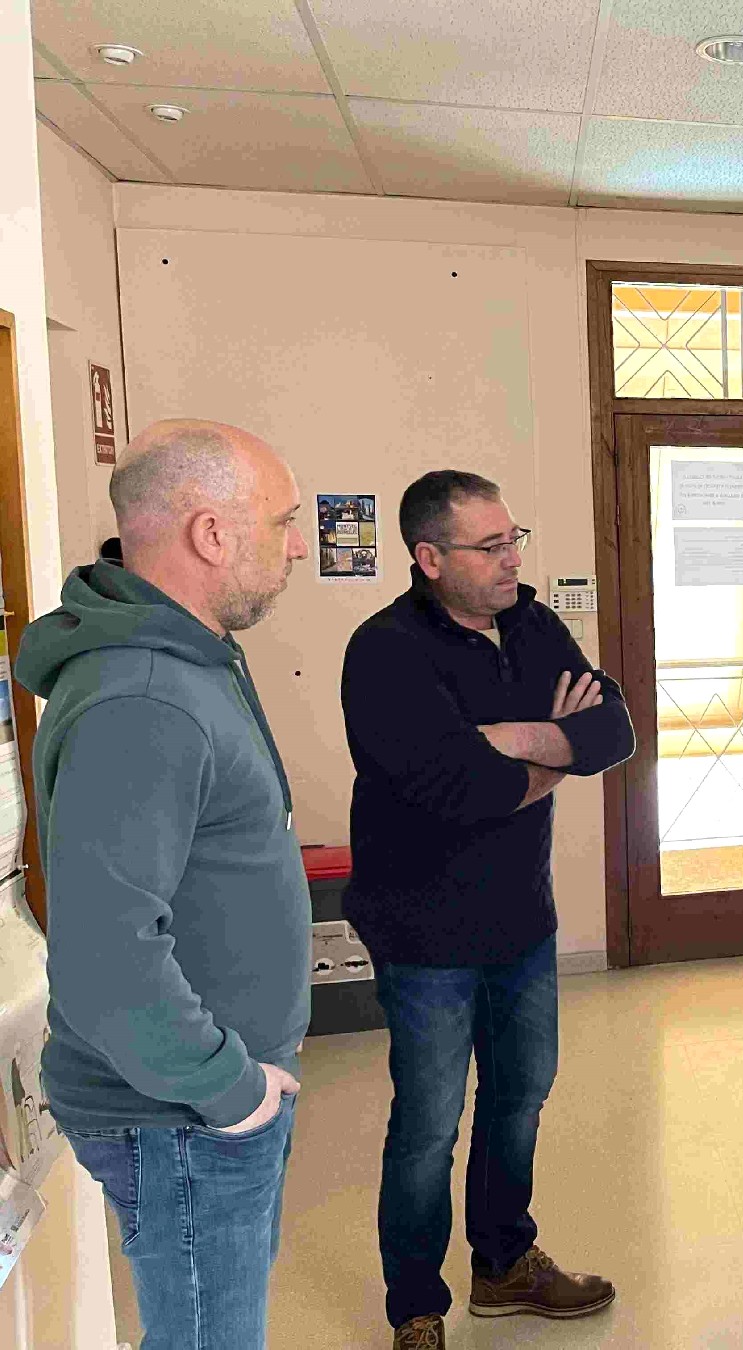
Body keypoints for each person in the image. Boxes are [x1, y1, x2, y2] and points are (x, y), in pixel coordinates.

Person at [17, 419, 312, 1349]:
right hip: (182, 1114)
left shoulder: (188, 658)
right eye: (283, 521)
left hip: (201, 1104)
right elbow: (108, 955)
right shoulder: (143, 695)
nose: (298, 545)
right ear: (211, 533)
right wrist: (233, 1091)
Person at [340, 470, 635, 1350]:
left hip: (521, 920)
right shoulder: (384, 650)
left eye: (515, 540)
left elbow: (614, 731)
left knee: (519, 1098)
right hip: (422, 931)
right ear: (430, 558)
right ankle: (415, 1306)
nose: (512, 560)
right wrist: (556, 754)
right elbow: (453, 788)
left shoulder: (533, 627)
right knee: (429, 1125)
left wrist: (511, 741)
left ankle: (504, 1264)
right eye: (490, 546)